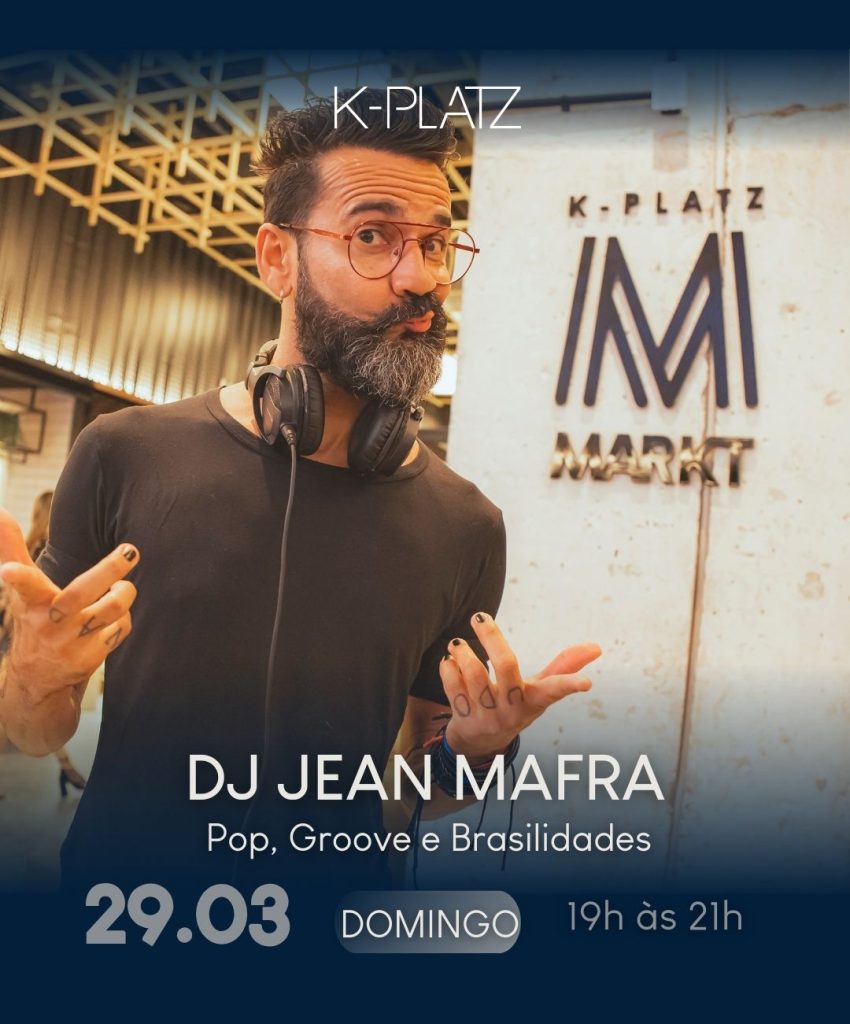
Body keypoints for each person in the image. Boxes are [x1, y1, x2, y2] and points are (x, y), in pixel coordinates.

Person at [0, 90, 600, 896]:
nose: (420, 277)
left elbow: (418, 792)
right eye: (372, 236)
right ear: (277, 259)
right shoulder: (124, 453)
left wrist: (475, 751)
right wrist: (32, 677)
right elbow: (34, 735)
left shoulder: (467, 525)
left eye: (435, 243)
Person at [0, 491, 87, 801]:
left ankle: (67, 769)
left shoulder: (34, 545)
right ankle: (67, 769)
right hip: (24, 638)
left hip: (17, 635)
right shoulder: (49, 551)